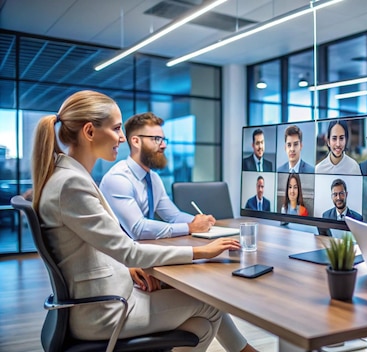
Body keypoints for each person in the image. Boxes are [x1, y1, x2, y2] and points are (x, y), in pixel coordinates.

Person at [31, 90, 257, 352]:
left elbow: (95, 245)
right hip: (101, 311)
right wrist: (199, 251)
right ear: (90, 132)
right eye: (116, 128)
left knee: (202, 326)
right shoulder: (72, 184)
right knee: (210, 303)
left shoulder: (69, 176)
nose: (121, 138)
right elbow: (129, 247)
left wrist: (127, 268)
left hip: (99, 296)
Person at [100, 112, 216, 240]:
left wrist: (199, 221)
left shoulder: (153, 178)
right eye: (156, 139)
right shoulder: (118, 179)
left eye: (163, 139)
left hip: (145, 250)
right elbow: (138, 229)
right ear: (136, 141)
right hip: (118, 256)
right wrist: (190, 227)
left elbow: (173, 216)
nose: (164, 145)